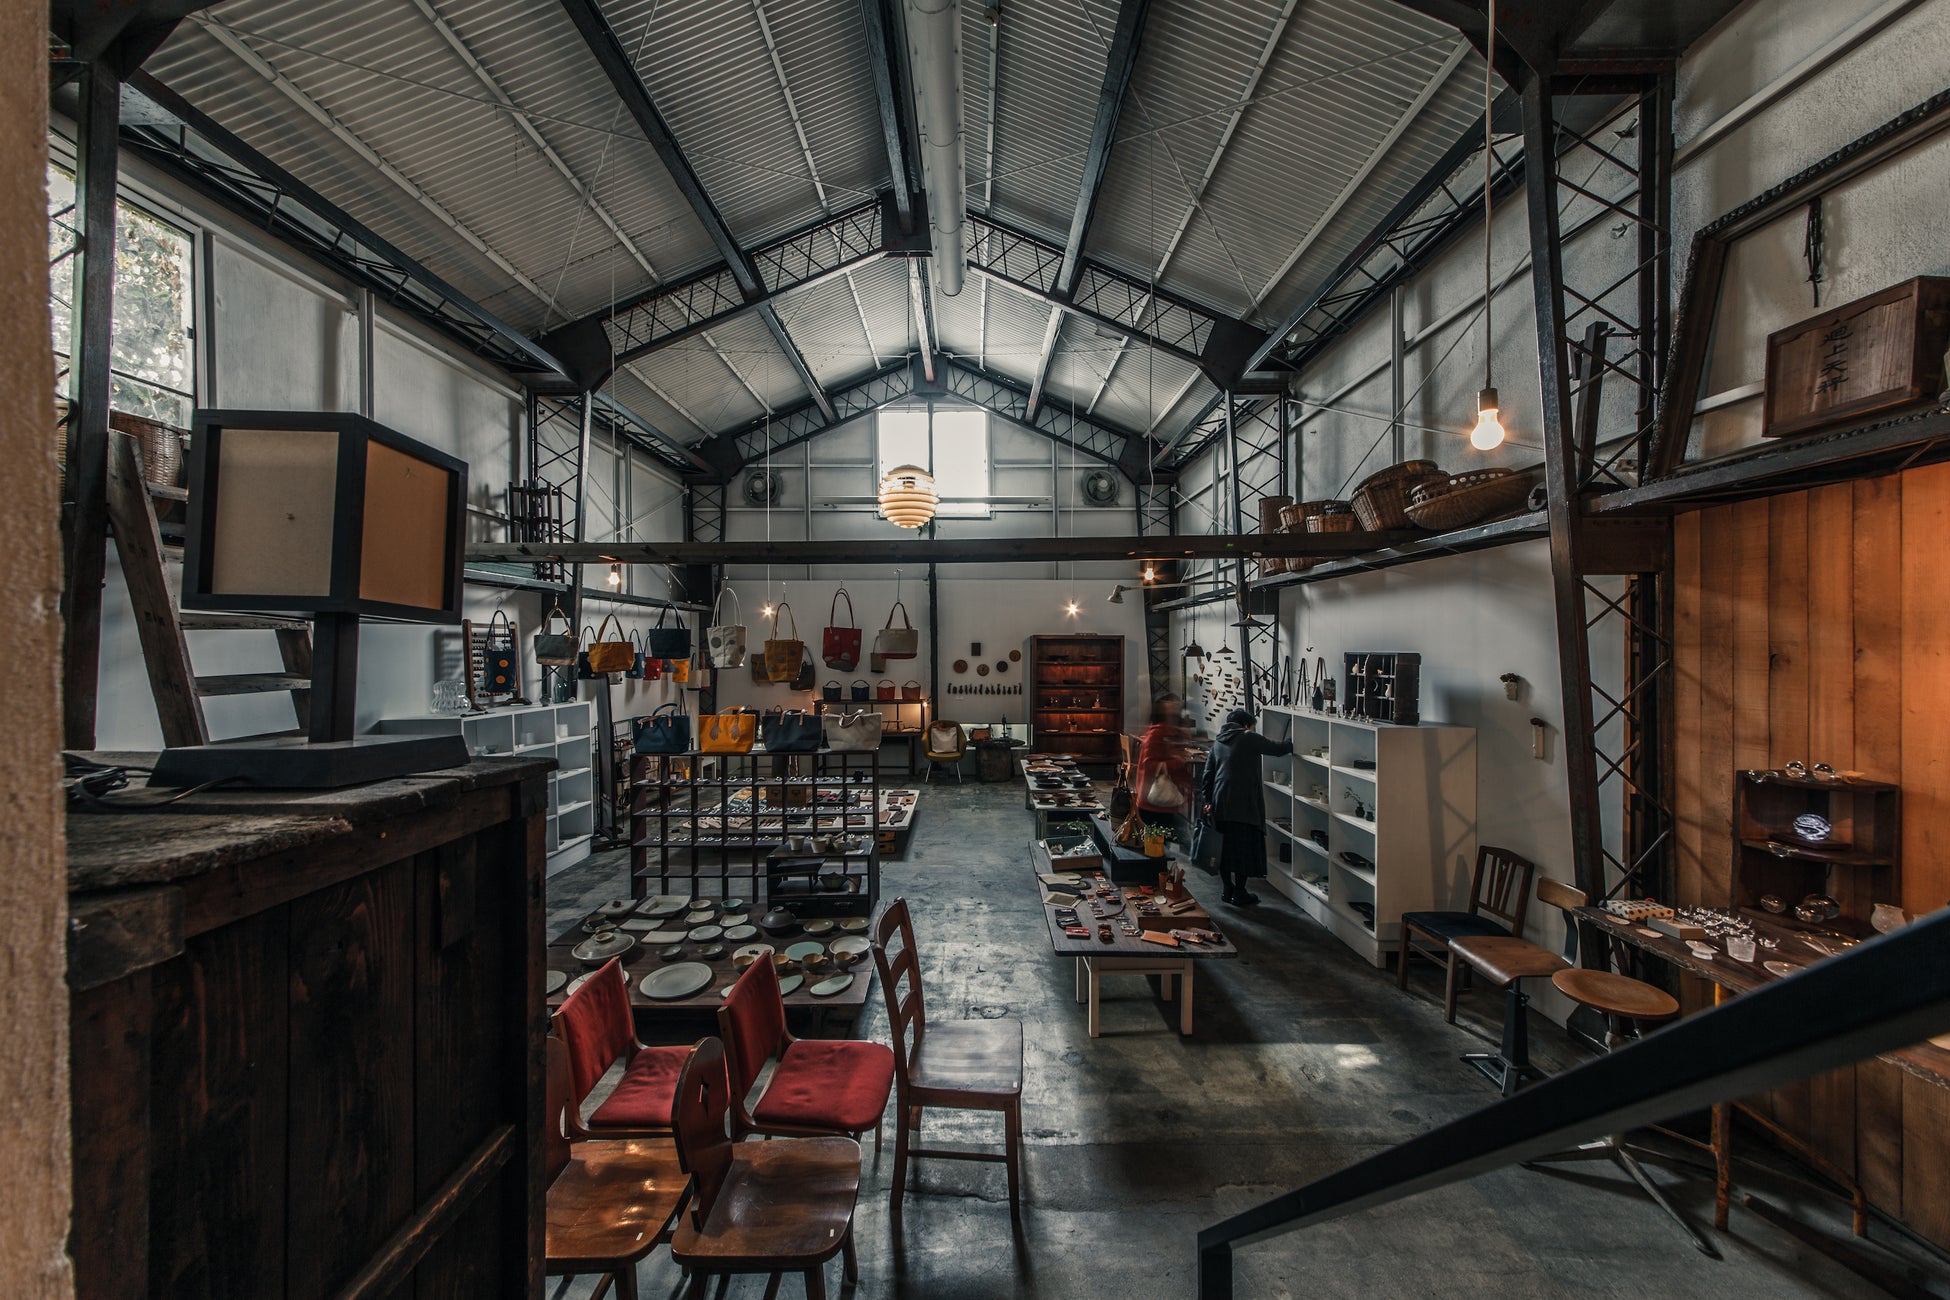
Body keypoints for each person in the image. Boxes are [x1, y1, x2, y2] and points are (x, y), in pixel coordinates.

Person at [1199, 707, 1294, 907]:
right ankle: (1240, 892)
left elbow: (1208, 775)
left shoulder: (1218, 742)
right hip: (1243, 804)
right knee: (1242, 849)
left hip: (1220, 803)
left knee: (1224, 849)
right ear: (1246, 725)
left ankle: (1227, 889)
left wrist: (1207, 801)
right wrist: (1293, 742)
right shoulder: (1247, 737)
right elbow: (1277, 749)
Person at [1134, 694, 1193, 847]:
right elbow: (1149, 765)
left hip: (1172, 799)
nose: (1175, 705)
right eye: (1170, 703)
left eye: (1176, 702)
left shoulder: (1174, 731)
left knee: (1166, 846)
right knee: (1158, 847)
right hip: (1157, 799)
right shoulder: (1157, 734)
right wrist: (1178, 761)